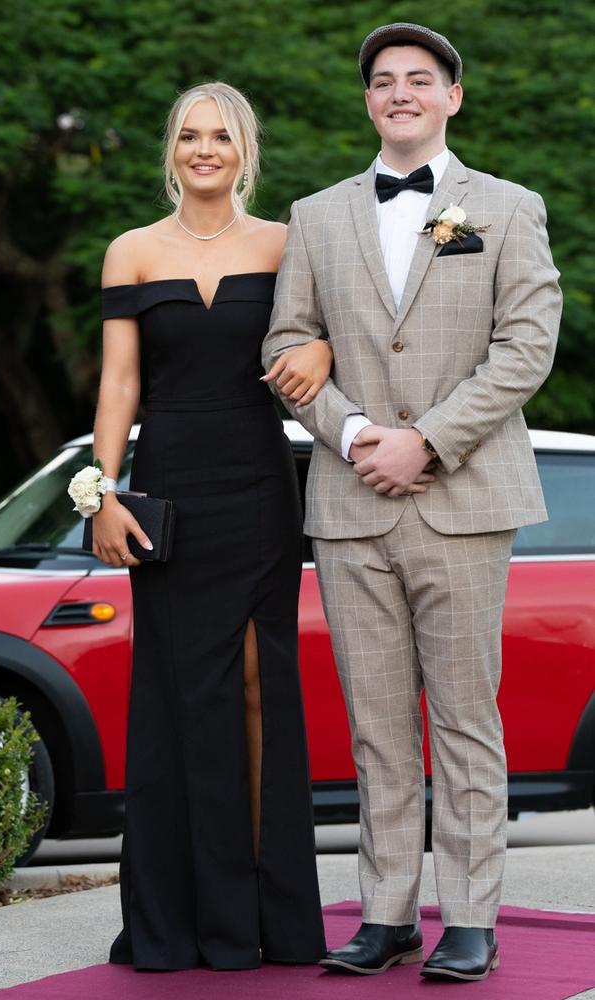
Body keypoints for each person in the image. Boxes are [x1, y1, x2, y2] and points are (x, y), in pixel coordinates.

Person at [263, 22, 561, 983]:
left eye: (419, 80)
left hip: (465, 498)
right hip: (350, 507)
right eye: (383, 81)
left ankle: (470, 916)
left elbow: (525, 346)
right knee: (377, 724)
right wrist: (353, 437)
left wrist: (424, 438)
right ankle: (386, 912)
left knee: (468, 717)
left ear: (452, 98)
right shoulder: (315, 215)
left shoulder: (509, 209)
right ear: (368, 103)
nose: (400, 93)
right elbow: (287, 347)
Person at [90, 81, 329, 971]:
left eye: (219, 137)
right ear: (172, 150)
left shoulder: (287, 242)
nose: (203, 150)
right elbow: (120, 383)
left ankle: (268, 915)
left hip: (259, 487)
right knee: (177, 696)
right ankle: (182, 917)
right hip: (167, 493)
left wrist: (322, 349)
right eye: (189, 136)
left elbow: (321, 332)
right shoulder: (132, 251)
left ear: (243, 150)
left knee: (262, 689)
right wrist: (102, 491)